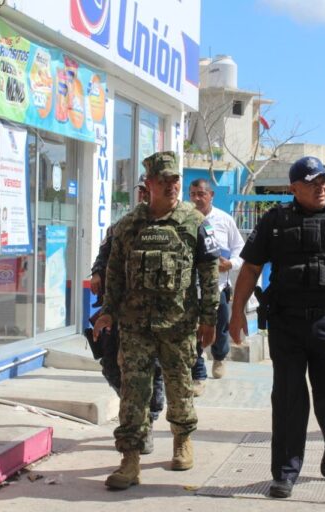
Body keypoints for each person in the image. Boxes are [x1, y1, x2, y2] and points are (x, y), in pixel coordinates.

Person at [228, 156, 325, 499]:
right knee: (288, 397)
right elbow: (251, 268)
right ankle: (285, 472)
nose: (321, 187)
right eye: (312, 183)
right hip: (286, 322)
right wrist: (237, 312)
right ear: (294, 188)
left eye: (323, 181)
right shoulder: (274, 221)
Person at [93, 151, 220, 490]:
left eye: (175, 180)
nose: (171, 186)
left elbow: (208, 274)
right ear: (149, 184)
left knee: (180, 387)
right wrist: (108, 311)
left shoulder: (194, 222)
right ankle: (130, 459)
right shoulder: (128, 225)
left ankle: (182, 441)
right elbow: (114, 272)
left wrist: (210, 318)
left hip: (179, 325)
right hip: (135, 326)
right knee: (133, 392)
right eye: (164, 180)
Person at [84, 174, 164, 455]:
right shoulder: (122, 225)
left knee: (152, 369)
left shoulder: (170, 226)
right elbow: (104, 255)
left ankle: (146, 420)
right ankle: (137, 410)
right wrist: (97, 273)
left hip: (153, 314)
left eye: (148, 190)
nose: (144, 195)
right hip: (118, 310)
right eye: (141, 190)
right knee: (110, 365)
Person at [188, 178, 245, 391]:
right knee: (193, 329)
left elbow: (240, 249)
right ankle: (198, 373)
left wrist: (231, 264)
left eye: (201, 194)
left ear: (211, 195)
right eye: (193, 194)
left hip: (218, 286)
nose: (197, 198)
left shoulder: (224, 220)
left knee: (220, 327)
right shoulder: (185, 219)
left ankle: (219, 356)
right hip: (191, 287)